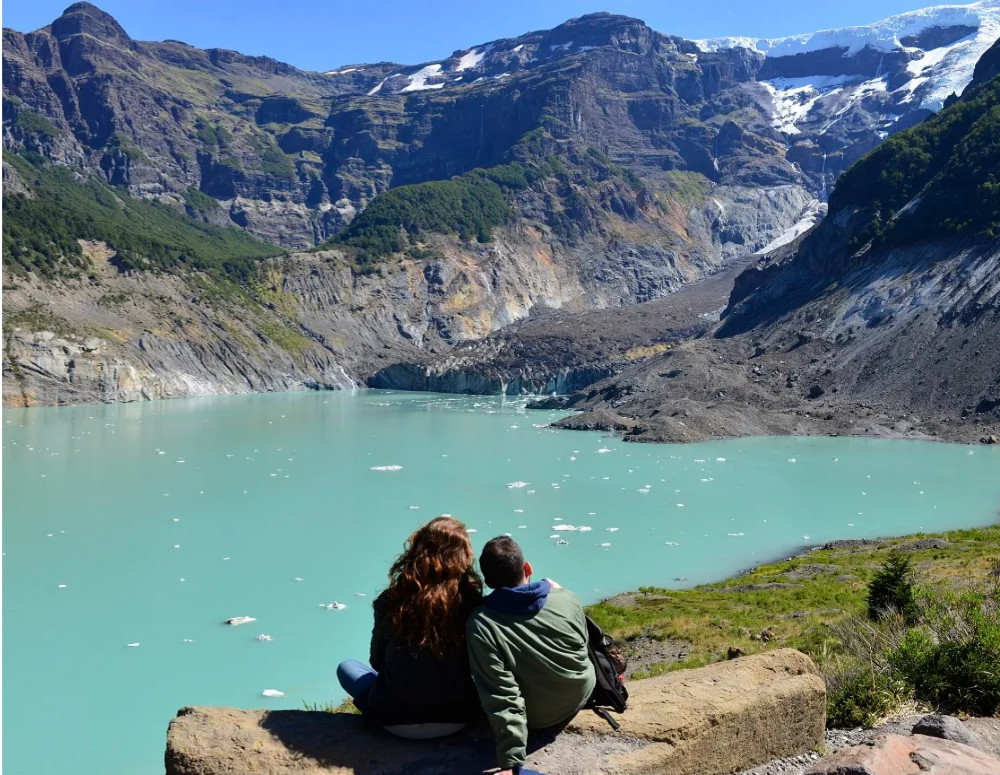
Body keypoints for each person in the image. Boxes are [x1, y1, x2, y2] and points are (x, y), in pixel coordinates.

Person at [337, 516, 484, 738]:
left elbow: (376, 661)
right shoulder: (471, 602)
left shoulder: (391, 601)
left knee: (347, 667)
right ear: (463, 557)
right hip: (460, 717)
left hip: (393, 719)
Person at [466, 536, 596, 774]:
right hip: (581, 691)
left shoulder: (482, 623)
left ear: (487, 581)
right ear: (527, 568)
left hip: (539, 716)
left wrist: (511, 762)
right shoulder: (566, 597)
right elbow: (582, 646)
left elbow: (502, 695)